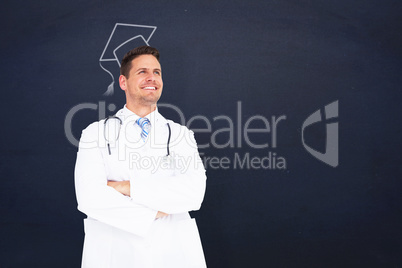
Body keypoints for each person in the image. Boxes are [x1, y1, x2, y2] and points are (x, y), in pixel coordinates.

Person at [74, 46, 207, 268]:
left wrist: (126, 187)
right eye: (142, 72)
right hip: (115, 253)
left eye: (157, 72)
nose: (152, 78)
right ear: (123, 82)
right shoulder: (95, 133)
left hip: (172, 253)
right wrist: (158, 211)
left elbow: (194, 194)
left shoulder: (180, 134)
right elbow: (89, 197)